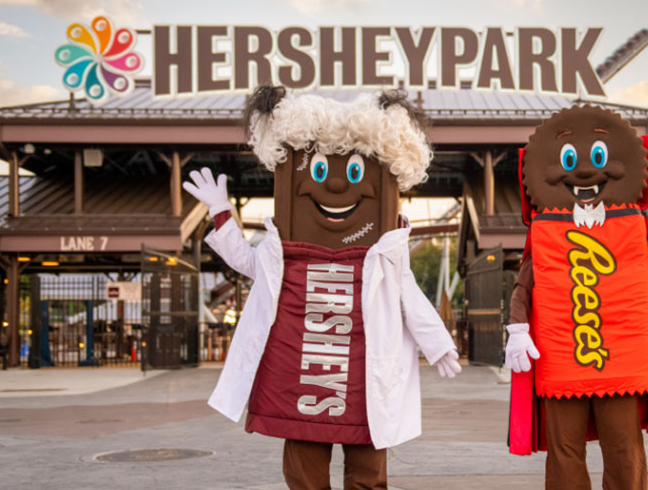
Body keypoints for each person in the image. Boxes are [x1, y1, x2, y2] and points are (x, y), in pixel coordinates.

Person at [185, 86, 461, 490]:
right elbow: (246, 262)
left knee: (368, 472)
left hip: (363, 379)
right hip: (302, 379)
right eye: (318, 170)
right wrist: (222, 213)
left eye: (352, 171)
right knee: (304, 472)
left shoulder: (383, 252)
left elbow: (409, 297)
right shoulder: (282, 250)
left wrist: (438, 344)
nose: (334, 185)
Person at [504, 105, 648, 490]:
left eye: (597, 157)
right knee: (565, 450)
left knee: (623, 447)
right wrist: (518, 328)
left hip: (622, 360)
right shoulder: (546, 231)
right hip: (561, 359)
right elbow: (523, 287)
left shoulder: (630, 230)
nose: (583, 173)